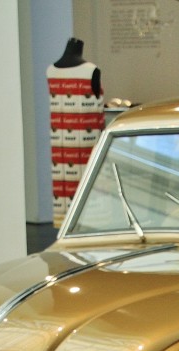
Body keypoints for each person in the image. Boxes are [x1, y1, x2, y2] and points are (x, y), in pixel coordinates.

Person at [47, 38, 105, 224]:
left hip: (61, 148)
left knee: (67, 203)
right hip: (87, 148)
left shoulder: (51, 71)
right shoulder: (91, 71)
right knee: (91, 201)